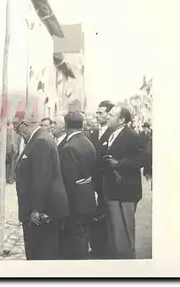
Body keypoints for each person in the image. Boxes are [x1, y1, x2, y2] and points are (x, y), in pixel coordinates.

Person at [13, 112, 69, 260]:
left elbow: (41, 177)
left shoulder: (40, 141)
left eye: (17, 128)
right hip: (41, 208)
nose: (17, 132)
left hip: (42, 212)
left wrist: (36, 209)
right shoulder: (40, 138)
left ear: (25, 125)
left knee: (40, 252)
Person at [102, 106, 147, 259]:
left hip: (127, 191)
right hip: (112, 189)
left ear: (121, 120)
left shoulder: (131, 135)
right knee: (116, 230)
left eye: (111, 115)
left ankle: (129, 261)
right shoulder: (110, 134)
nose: (107, 117)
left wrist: (119, 164)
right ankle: (118, 257)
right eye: (108, 114)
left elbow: (142, 159)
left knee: (126, 229)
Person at [59, 111, 97, 260]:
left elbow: (68, 179)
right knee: (82, 234)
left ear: (66, 126)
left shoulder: (69, 147)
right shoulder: (88, 142)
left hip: (75, 200)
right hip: (87, 196)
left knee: (75, 237)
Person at [88, 100, 115, 259]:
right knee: (94, 215)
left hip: (106, 182)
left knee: (106, 217)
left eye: (101, 113)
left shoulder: (112, 134)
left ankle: (105, 250)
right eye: (96, 113)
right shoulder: (93, 133)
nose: (97, 116)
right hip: (93, 182)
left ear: (109, 114)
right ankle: (96, 247)